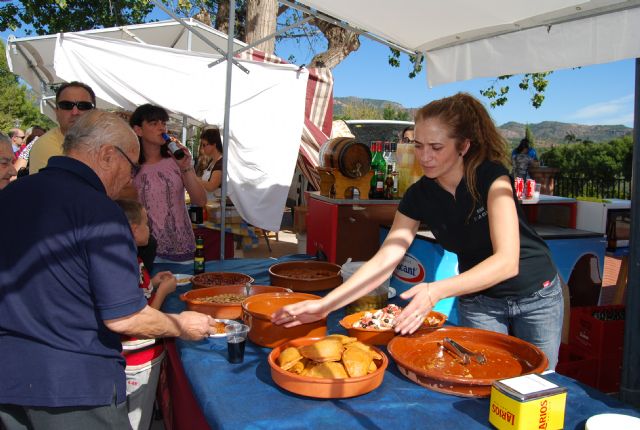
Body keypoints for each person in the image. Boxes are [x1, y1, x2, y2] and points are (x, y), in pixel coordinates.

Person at [273, 93, 564, 370]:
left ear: (463, 146)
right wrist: (326, 304)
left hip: (535, 296)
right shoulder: (419, 195)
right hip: (479, 301)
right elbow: (385, 259)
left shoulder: (492, 178)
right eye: (419, 145)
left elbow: (507, 262)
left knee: (538, 387)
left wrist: (435, 291)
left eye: (436, 147)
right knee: (485, 381)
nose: (425, 157)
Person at [0, 110, 216, 429]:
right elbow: (125, 316)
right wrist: (182, 325)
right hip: (75, 386)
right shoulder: (99, 210)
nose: (131, 179)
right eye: (131, 167)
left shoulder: (12, 194)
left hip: (10, 378)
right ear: (106, 155)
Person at [115, 199, 177, 430]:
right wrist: (162, 291)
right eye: (146, 224)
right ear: (133, 229)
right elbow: (143, 314)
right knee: (136, 417)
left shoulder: (134, 258)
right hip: (137, 357)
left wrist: (154, 282)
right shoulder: (126, 263)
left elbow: (141, 292)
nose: (150, 229)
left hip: (139, 354)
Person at [130, 104, 206, 261]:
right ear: (138, 130)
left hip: (181, 245)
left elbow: (200, 201)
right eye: (153, 123)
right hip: (145, 248)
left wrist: (186, 168)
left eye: (163, 123)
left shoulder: (176, 160)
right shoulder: (130, 165)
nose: (161, 128)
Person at [28, 81, 96, 174]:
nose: (75, 112)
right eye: (67, 105)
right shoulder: (45, 146)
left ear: (94, 112)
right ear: (56, 112)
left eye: (83, 106)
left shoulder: (107, 140)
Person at [197, 127, 224, 199]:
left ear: (214, 144)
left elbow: (211, 186)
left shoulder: (221, 162)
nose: (203, 148)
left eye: (205, 145)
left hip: (217, 208)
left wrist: (195, 179)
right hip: (209, 206)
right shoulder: (212, 162)